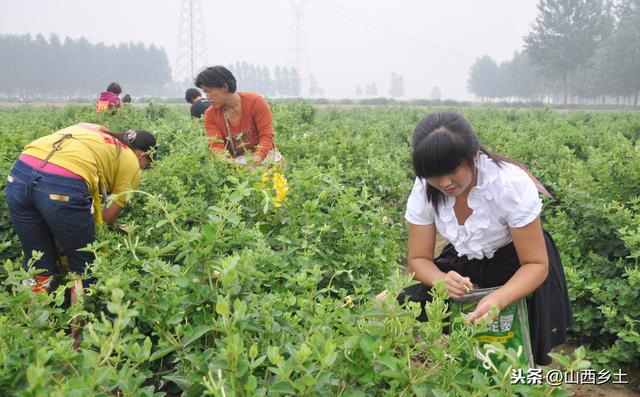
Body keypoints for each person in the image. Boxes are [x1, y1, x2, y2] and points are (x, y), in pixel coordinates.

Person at [397, 111, 572, 366]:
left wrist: (498, 298)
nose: (444, 182)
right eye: (434, 174)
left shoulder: (507, 183)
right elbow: (418, 258)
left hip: (519, 266)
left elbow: (536, 264)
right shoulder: (425, 188)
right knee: (393, 303)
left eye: (452, 169)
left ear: (474, 154)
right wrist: (441, 280)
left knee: (515, 352)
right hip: (468, 260)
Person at [5, 122, 158, 301]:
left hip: (19, 174)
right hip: (62, 184)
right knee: (83, 266)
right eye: (146, 165)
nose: (142, 169)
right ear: (143, 155)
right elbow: (108, 217)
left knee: (37, 263)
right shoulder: (132, 162)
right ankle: (78, 327)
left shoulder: (95, 129)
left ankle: (30, 321)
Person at [195, 66, 283, 166]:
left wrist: (255, 161)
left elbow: (266, 136)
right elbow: (216, 147)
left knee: (272, 178)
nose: (207, 97)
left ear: (225, 87)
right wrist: (234, 166)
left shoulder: (255, 102)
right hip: (236, 164)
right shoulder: (210, 115)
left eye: (209, 91)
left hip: (266, 158)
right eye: (205, 92)